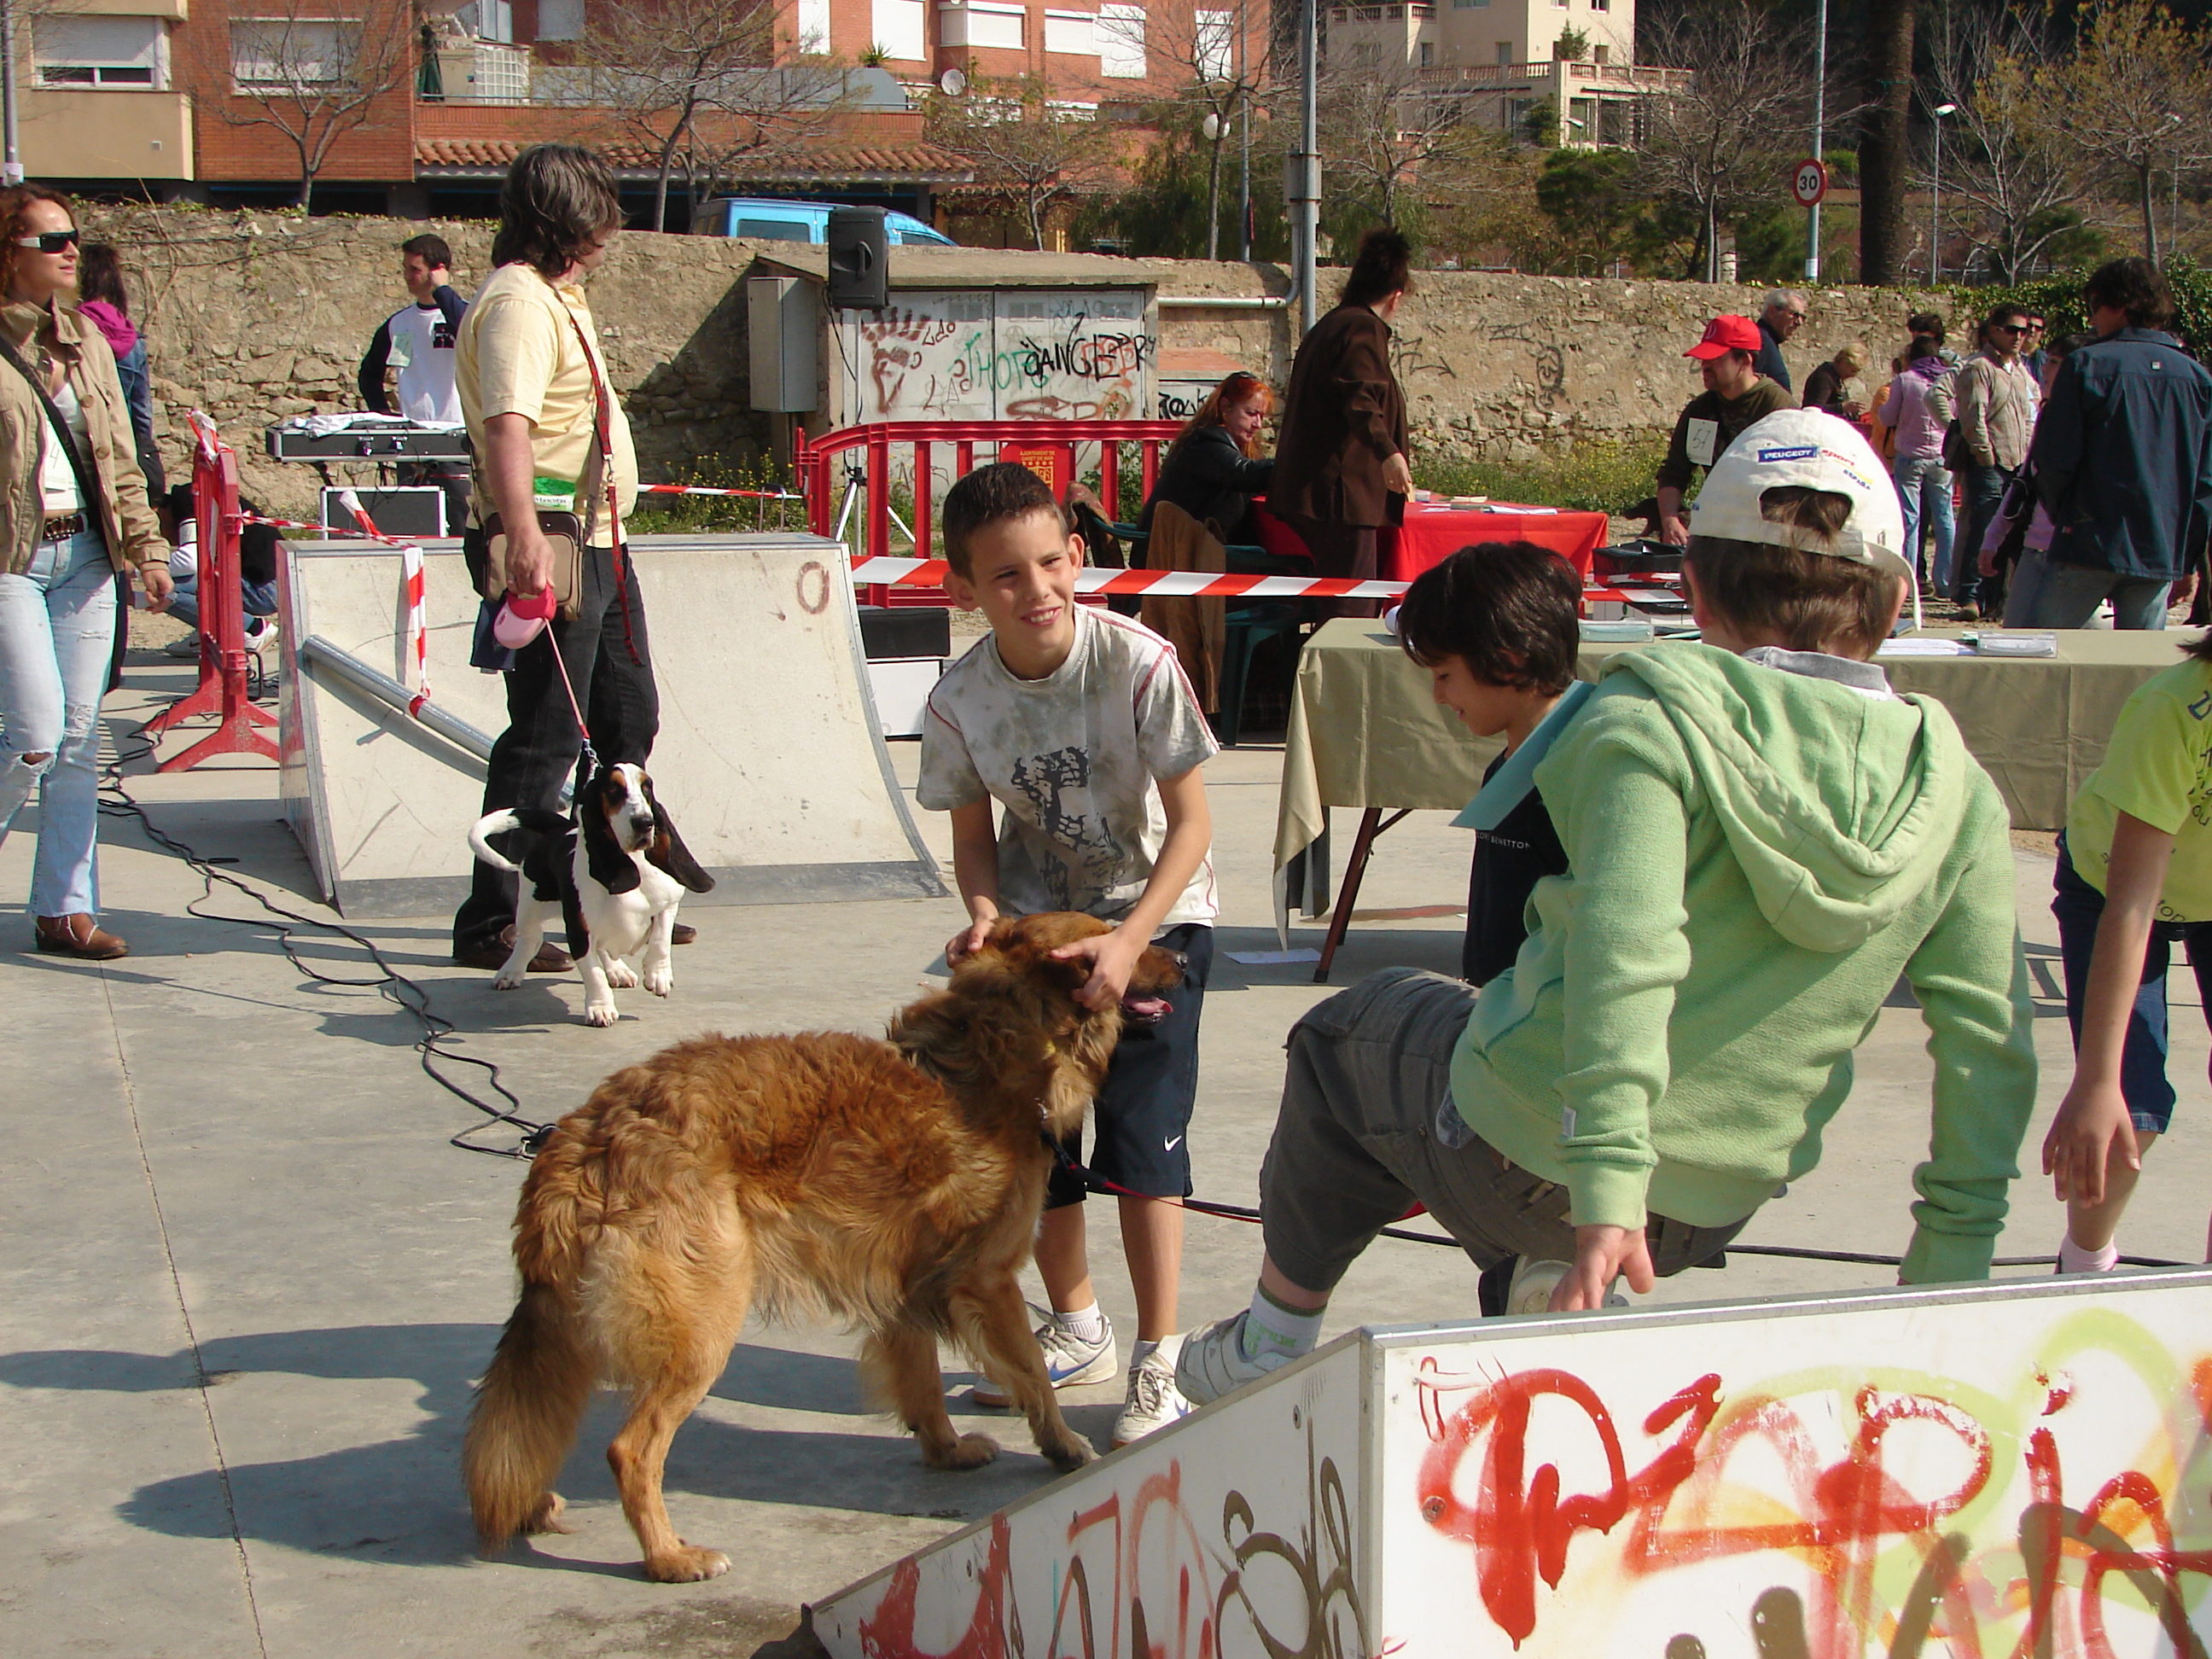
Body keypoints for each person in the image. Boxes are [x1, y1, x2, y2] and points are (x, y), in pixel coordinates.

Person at [1171, 408, 2037, 1408]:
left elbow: (1631, 954)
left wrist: (1604, 1193)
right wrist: (1951, 1278)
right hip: (1705, 1209)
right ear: (1892, 605)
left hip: (1574, 1179)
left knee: (1347, 1039)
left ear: (1697, 590)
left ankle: (1277, 1335)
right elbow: (1989, 1044)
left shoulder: (1650, 723)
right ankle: (1535, 1278)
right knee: (1471, 1064)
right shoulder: (1962, 793)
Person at [918, 461, 1219, 1447]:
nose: (1036, 589)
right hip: (1038, 930)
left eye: (1051, 563)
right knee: (1036, 1141)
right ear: (963, 588)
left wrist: (1132, 943)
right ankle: (1078, 1326)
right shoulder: (959, 699)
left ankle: (1157, 1361)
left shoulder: (1138, 665)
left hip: (1154, 920)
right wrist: (981, 915)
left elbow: (1191, 827)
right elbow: (971, 835)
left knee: (1143, 1143)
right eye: (1005, 576)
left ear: (1078, 558)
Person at [451, 145, 661, 974]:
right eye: (601, 215)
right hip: (552, 540)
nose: (612, 232)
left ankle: (613, 894)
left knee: (626, 722)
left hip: (599, 538)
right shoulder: (516, 306)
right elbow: (510, 425)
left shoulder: (557, 296)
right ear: (568, 220)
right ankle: (494, 918)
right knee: (543, 737)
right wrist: (523, 535)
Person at [0, 183, 172, 959]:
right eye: (50, 240)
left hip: (88, 559)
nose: (71, 250)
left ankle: (64, 909)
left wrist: (148, 548)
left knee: (77, 740)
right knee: (32, 735)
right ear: (9, 255)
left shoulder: (88, 342)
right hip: (13, 559)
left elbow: (122, 458)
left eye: (73, 237)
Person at [2042, 632, 2212, 1274]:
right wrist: (2095, 1081)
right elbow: (2132, 907)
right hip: (2114, 885)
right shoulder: (2173, 708)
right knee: (2127, 1110)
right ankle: (2084, 1266)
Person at [1392, 543, 1578, 988]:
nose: (1437, 696)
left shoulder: (1580, 771)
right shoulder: (1512, 763)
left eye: (1444, 676)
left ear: (1509, 659)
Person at [2021, 258, 2212, 632]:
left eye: (2095, 307)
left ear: (2120, 305)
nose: (2092, 320)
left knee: (2047, 656)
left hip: (2089, 538)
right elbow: (2205, 481)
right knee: (2134, 666)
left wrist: (2066, 516)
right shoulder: (2197, 376)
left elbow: (2055, 458)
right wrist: (2186, 556)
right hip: (2160, 543)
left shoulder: (2086, 365)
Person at [1268, 228, 1415, 619]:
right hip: (1341, 497)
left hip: (1325, 493)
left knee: (1337, 601)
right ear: (1396, 298)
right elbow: (1361, 399)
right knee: (1352, 607)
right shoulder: (1361, 329)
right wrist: (1389, 454)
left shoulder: (1332, 326)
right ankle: (1341, 681)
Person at [359, 232, 470, 535]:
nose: (407, 276)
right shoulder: (399, 323)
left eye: (415, 269)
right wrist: (384, 415)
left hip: (457, 439)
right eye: (405, 268)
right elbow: (369, 374)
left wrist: (443, 288)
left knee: (463, 524)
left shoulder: (466, 313)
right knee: (417, 527)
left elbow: (466, 329)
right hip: (412, 443)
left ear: (438, 269)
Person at [1653, 315, 1792, 547]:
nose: (1704, 366)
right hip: (1718, 524)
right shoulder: (1701, 409)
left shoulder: (1777, 407)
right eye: (1703, 358)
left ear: (1744, 361)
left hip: (1765, 533)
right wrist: (1670, 521)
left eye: (1715, 358)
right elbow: (1675, 471)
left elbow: (1789, 484)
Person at [1993, 332, 2093, 628]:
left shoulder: (2090, 417)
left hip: (2071, 550)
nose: (2046, 369)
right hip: (2034, 544)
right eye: (2048, 360)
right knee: (2016, 631)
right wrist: (1995, 536)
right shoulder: (2047, 413)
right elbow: (2025, 481)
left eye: (2056, 362)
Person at [1950, 303, 2040, 621]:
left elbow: (2028, 414)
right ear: (1994, 331)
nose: (2020, 336)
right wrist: (1985, 456)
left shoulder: (2019, 370)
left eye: (2024, 331)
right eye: (2012, 330)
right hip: (1990, 462)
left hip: (2017, 462)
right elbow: (1974, 416)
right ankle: (1971, 597)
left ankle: (1997, 599)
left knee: (2008, 533)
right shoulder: (1979, 367)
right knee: (1983, 528)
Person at [1135, 370, 1273, 546]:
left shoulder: (1210, 440)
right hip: (1173, 551)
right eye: (1251, 414)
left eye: (1262, 416)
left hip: (1182, 545)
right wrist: (1294, 468)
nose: (1258, 424)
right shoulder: (1206, 443)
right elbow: (1243, 473)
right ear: (1225, 407)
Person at [1877, 335, 1956, 597]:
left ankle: (1908, 580)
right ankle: (1946, 580)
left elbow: (1888, 416)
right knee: (1944, 517)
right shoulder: (1948, 379)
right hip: (1941, 455)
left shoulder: (1905, 379)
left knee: (1910, 518)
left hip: (1910, 454)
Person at [1754, 290, 1808, 392]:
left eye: (1802, 317)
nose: (1799, 322)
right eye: (1795, 314)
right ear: (1772, 311)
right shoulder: (1760, 341)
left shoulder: (1768, 341)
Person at [1800, 342, 1867, 421]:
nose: (1853, 376)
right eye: (1853, 371)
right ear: (1843, 363)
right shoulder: (1824, 378)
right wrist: (1842, 408)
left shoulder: (1835, 376)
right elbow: (1814, 409)